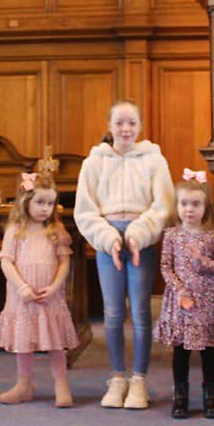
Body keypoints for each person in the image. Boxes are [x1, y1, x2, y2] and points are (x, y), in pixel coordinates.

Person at [75, 99, 175, 410]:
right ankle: (117, 376)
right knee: (114, 313)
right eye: (119, 122)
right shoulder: (94, 162)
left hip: (140, 240)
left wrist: (138, 233)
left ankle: (139, 380)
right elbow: (84, 210)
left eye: (131, 122)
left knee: (142, 313)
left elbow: (164, 206)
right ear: (109, 126)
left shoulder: (154, 160)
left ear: (140, 126)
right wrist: (107, 238)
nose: (125, 128)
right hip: (108, 241)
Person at [0, 172, 79, 408]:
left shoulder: (56, 230)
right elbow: (6, 261)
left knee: (54, 342)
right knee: (24, 341)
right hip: (23, 297)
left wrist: (55, 286)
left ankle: (61, 383)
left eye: (50, 204)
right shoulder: (16, 230)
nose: (45, 209)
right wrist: (21, 288)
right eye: (40, 202)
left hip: (49, 297)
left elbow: (64, 261)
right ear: (25, 202)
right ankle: (24, 384)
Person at [154, 171, 214, 420]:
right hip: (181, 300)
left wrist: (203, 261)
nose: (189, 209)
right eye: (184, 204)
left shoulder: (213, 236)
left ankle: (211, 396)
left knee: (208, 350)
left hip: (207, 300)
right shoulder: (172, 236)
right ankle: (181, 396)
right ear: (177, 206)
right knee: (181, 350)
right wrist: (180, 290)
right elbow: (165, 267)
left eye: (196, 204)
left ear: (206, 207)